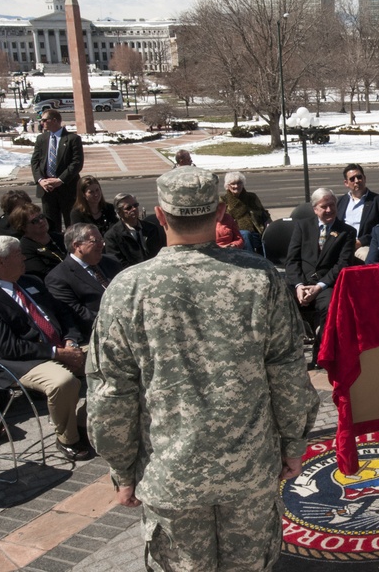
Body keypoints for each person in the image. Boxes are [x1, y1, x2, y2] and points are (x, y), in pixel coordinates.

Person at [88, 166, 320, 570]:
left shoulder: (127, 289)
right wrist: (293, 446)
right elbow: (287, 376)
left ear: (160, 216)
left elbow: (112, 393)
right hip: (249, 471)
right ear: (218, 212)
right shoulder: (259, 279)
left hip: (171, 476)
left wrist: (121, 469)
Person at [0, 235, 89, 461]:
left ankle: (84, 420)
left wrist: (71, 340)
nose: (24, 257)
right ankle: (68, 439)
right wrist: (57, 353)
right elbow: (7, 347)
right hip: (20, 362)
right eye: (17, 254)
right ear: (0, 261)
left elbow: (63, 313)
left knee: (113, 361)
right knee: (63, 382)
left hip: (61, 347)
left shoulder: (31, 282)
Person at [284, 187, 355, 369]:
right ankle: (287, 357)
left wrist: (319, 287)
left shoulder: (346, 232)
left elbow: (342, 264)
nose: (329, 210)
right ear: (315, 209)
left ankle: (320, 354)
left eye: (332, 205)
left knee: (330, 305)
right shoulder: (302, 226)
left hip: (325, 284)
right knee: (279, 302)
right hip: (300, 283)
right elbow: (292, 260)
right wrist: (299, 285)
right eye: (324, 207)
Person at [45, 223, 121, 338]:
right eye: (95, 241)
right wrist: (116, 323)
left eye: (102, 239)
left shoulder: (111, 262)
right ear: (77, 246)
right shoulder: (59, 277)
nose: (102, 245)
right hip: (98, 333)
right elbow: (78, 313)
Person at [29, 109, 84, 231]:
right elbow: (35, 162)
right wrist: (40, 180)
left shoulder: (72, 139)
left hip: (67, 189)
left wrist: (60, 180)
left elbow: (77, 163)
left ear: (54, 120)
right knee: (51, 226)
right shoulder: (41, 139)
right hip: (47, 189)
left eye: (44, 120)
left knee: (72, 225)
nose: (42, 123)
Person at [336, 163, 379, 262]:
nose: (356, 181)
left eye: (359, 177)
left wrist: (360, 242)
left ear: (364, 178)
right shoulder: (339, 202)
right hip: (341, 244)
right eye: (352, 179)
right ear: (346, 183)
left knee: (367, 256)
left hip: (364, 246)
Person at [103, 193, 167, 268]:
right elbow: (118, 263)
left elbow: (159, 252)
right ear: (119, 212)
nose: (134, 209)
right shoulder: (112, 236)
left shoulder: (151, 228)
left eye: (135, 205)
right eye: (128, 208)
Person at [12, 203, 67, 280]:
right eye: (35, 221)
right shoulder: (25, 248)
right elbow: (42, 272)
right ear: (23, 227)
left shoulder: (59, 237)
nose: (41, 221)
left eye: (41, 217)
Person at [221, 171, 270, 255]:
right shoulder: (223, 200)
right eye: (233, 184)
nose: (236, 186)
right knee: (246, 234)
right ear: (227, 186)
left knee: (268, 234)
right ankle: (251, 260)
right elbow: (223, 219)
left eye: (239, 183)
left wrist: (268, 221)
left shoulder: (252, 197)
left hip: (257, 230)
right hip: (236, 233)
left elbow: (263, 212)